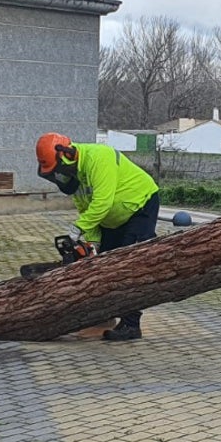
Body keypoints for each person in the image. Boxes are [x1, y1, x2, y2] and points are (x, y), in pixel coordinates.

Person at [36, 132, 160, 341]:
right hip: (111, 219)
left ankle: (131, 325)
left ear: (67, 155)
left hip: (140, 206)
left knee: (130, 267)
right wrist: (91, 245)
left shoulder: (99, 158)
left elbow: (102, 201)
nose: (60, 176)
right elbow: (87, 212)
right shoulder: (77, 180)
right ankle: (105, 314)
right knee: (105, 266)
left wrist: (76, 230)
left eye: (58, 171)